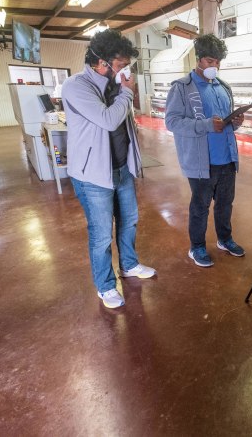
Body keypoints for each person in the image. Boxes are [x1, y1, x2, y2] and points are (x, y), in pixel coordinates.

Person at [62, 29, 156, 309]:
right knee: (101, 233)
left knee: (129, 222)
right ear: (101, 62)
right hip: (93, 176)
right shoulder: (75, 86)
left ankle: (129, 265)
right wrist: (126, 93)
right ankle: (105, 286)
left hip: (120, 168)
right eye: (120, 65)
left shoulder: (115, 87)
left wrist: (123, 93)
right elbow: (108, 120)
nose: (124, 71)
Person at [165, 33, 245, 267]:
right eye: (210, 61)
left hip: (227, 158)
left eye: (218, 61)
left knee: (225, 204)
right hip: (202, 161)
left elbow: (223, 121)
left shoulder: (223, 87)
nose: (215, 66)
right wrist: (207, 124)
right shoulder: (182, 88)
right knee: (200, 206)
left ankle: (225, 239)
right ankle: (197, 247)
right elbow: (172, 122)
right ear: (199, 59)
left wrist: (234, 122)